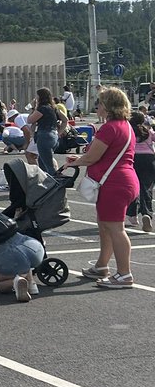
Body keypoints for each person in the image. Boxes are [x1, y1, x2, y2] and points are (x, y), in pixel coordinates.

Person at [66, 86, 139, 288]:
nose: (97, 106)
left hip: (113, 183)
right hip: (123, 180)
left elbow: (92, 157)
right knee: (105, 225)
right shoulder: (125, 126)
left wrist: (74, 162)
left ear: (108, 106)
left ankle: (124, 274)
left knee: (115, 228)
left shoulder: (109, 128)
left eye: (100, 103)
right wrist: (80, 160)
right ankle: (101, 265)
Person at [126, 110, 154, 233]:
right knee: (146, 188)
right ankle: (146, 213)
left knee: (132, 187)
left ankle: (132, 214)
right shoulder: (148, 131)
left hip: (133, 159)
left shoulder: (128, 132)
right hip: (149, 159)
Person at [27, 87, 60, 175]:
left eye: (37, 96)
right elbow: (64, 119)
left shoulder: (42, 108)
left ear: (40, 97)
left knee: (48, 166)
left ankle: (54, 180)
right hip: (54, 135)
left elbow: (30, 120)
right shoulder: (53, 108)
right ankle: (46, 179)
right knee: (42, 161)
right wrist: (59, 132)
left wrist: (33, 108)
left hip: (44, 136)